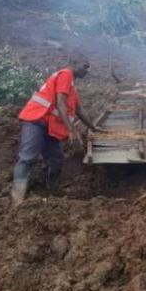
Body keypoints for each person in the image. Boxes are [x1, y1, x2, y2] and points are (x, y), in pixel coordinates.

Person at [11, 56, 102, 206]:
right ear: (74, 63)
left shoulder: (71, 87)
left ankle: (51, 192)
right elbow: (60, 103)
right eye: (85, 66)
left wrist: (93, 127)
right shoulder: (65, 74)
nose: (87, 70)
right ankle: (17, 199)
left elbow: (78, 109)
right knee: (28, 157)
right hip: (36, 120)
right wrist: (71, 130)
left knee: (56, 159)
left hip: (49, 125)